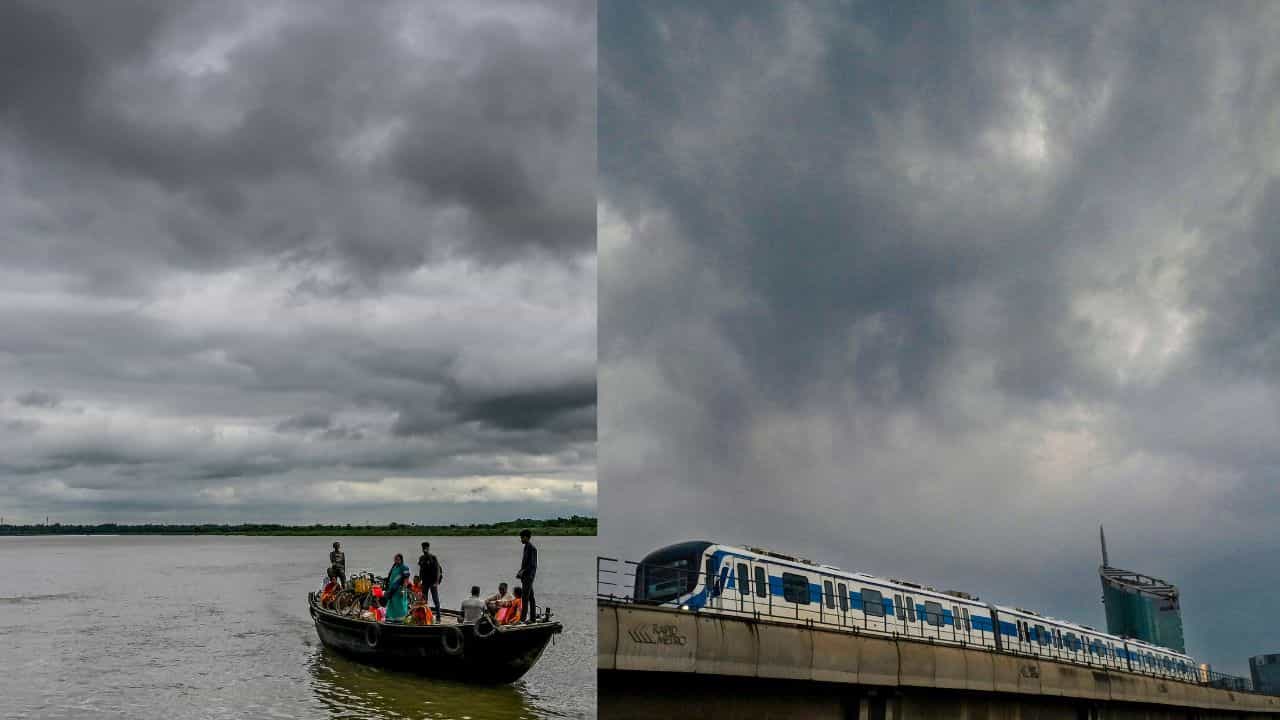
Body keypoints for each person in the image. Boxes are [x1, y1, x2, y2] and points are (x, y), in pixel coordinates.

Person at [417, 541, 443, 617]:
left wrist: (437, 582)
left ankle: (438, 616)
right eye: (423, 548)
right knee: (424, 600)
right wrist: (419, 580)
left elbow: (438, 570)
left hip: (433, 582)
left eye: (426, 548)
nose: (424, 549)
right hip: (424, 582)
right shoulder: (421, 558)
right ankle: (425, 616)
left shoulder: (433, 557)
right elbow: (421, 570)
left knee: (435, 599)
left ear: (428, 548)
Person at [517, 529, 537, 623]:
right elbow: (525, 563)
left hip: (529, 577)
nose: (521, 539)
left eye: (522, 537)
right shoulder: (526, 547)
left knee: (525, 598)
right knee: (531, 598)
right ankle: (533, 618)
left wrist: (523, 571)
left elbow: (532, 565)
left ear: (526, 537)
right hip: (525, 577)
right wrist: (520, 572)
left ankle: (522, 619)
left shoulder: (532, 548)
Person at [383, 553, 410, 622]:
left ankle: (401, 619)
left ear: (401, 560)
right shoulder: (394, 567)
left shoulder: (404, 568)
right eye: (395, 559)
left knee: (400, 604)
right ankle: (391, 618)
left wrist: (403, 589)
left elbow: (406, 579)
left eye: (398, 559)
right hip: (392, 590)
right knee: (391, 603)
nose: (396, 561)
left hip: (400, 589)